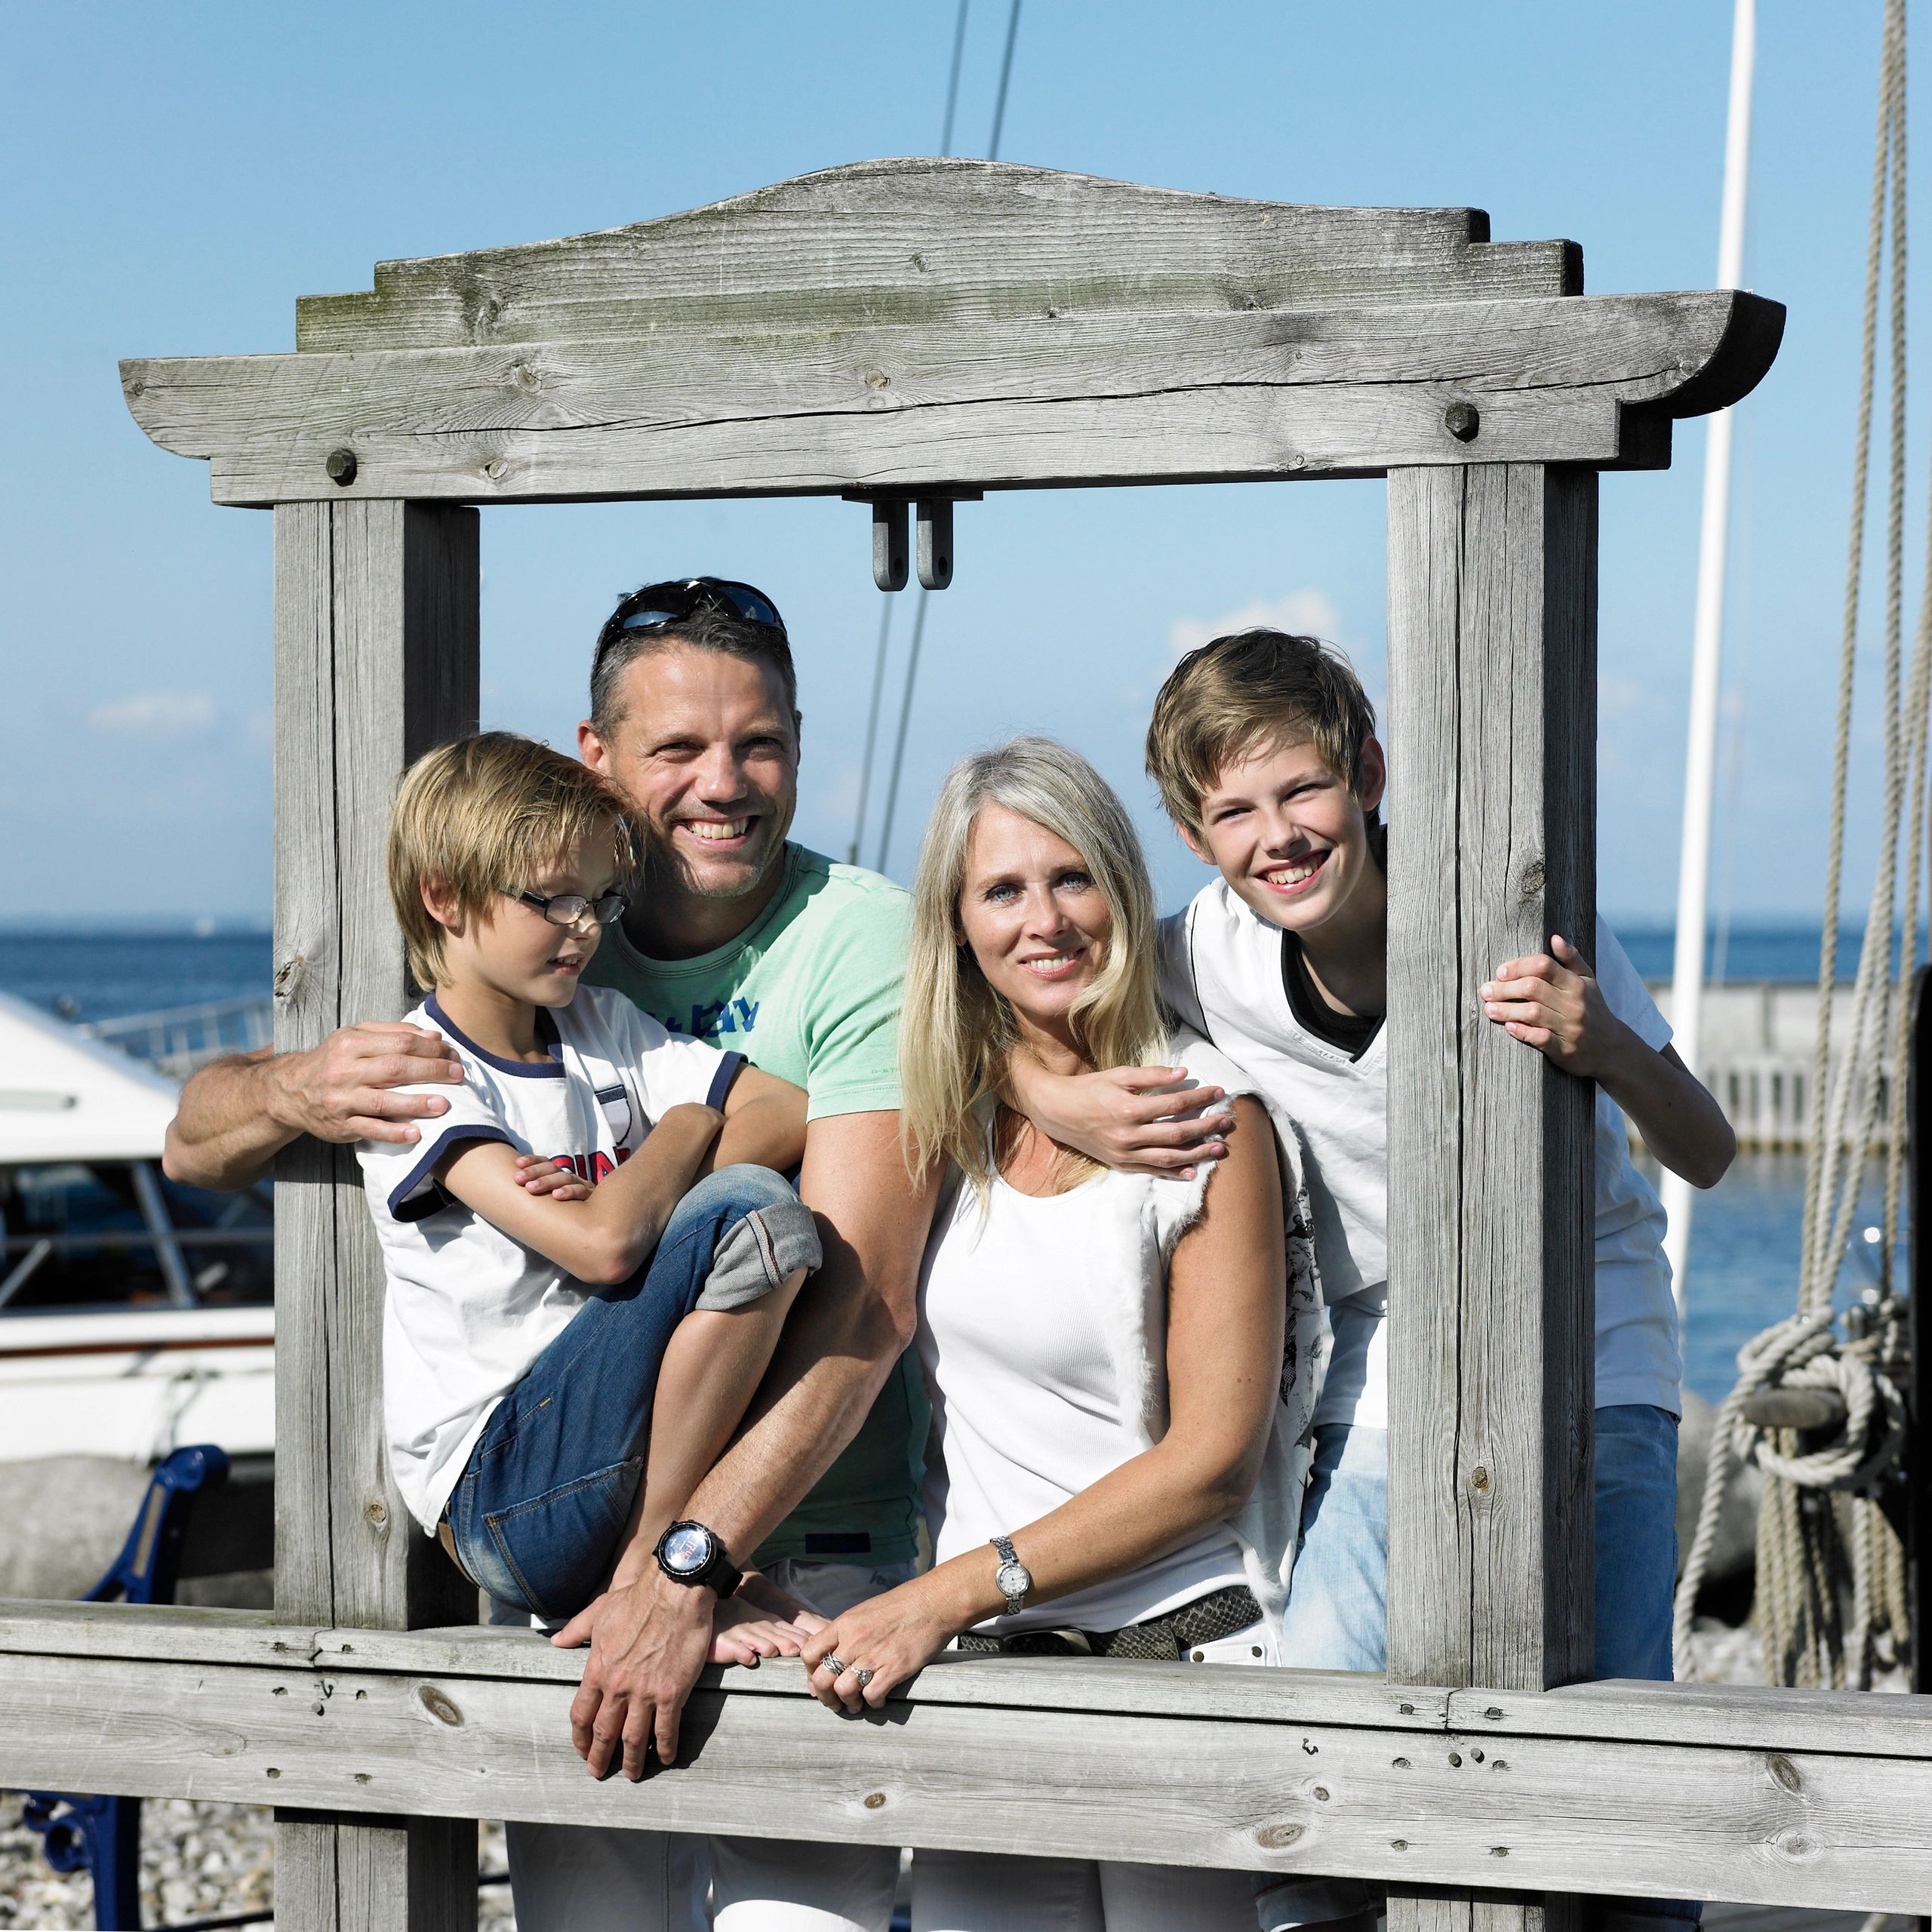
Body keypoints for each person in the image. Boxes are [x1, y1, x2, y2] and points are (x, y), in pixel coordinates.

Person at [162, 577, 939, 1932]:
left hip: (800, 1552)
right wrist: (294, 1087)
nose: (725, 783)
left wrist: (683, 1563)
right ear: (597, 760)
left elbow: (861, 1278)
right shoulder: (542, 965)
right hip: (564, 1531)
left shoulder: (827, 942)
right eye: (679, 750)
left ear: (803, 744)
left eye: (760, 744)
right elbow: (192, 1134)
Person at [1016, 629, 1736, 1932]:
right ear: (1193, 837)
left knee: (1627, 1758)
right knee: (1320, 1739)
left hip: (1592, 1330)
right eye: (1233, 812)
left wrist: (1607, 1044)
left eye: (1301, 791)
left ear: (1371, 774)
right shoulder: (1203, 956)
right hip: (1383, 1346)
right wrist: (1051, 1089)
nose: (1277, 836)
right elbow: (980, 1019)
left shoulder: (1514, 920)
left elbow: (1709, 1147)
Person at [799, 737, 1322, 1932]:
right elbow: (751, 1101)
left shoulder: (1205, 1117)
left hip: (1171, 1650)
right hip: (984, 1669)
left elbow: (1211, 1465)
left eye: (1073, 876)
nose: (1047, 919)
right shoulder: (947, 1113)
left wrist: (941, 1596)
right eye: (1004, 889)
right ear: (959, 921)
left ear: (1125, 891)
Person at [355, 731, 818, 1624]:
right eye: (552, 898)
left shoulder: (600, 1025)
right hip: (502, 1490)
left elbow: (785, 1110)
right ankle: (657, 1571)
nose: (585, 926)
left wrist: (649, 1180)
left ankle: (662, 1563)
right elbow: (604, 1246)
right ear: (443, 895)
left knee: (769, 1218)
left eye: (599, 898)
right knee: (756, 1212)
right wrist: (683, 1125)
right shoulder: (420, 1074)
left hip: (607, 1448)